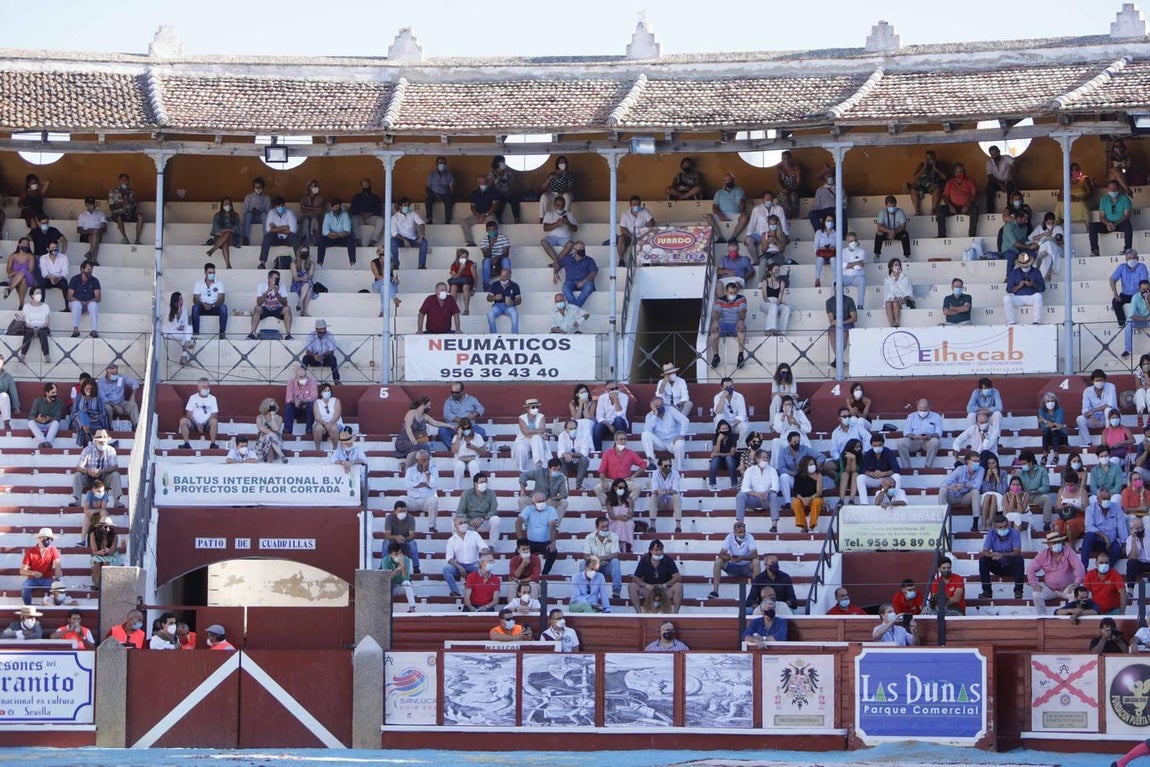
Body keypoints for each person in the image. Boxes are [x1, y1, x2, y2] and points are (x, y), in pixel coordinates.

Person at [1027, 531, 1086, 614]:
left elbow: (1079, 567)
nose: (1057, 544)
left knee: (1075, 594)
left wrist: (1076, 583)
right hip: (1049, 589)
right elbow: (1030, 569)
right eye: (1054, 543)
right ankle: (1043, 617)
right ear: (1049, 545)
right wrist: (1034, 584)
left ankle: (1069, 616)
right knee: (1036, 595)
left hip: (1067, 588)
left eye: (1059, 542)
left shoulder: (1068, 552)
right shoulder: (1043, 554)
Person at [708, 521, 759, 600]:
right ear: (734, 532)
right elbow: (721, 554)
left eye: (744, 531)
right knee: (718, 561)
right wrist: (730, 558)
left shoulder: (750, 537)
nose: (742, 534)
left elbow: (755, 554)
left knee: (756, 561)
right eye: (740, 532)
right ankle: (715, 591)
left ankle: (756, 593)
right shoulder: (729, 537)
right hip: (733, 566)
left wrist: (741, 558)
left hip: (746, 566)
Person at [978, 514, 1025, 599]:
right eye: (1000, 527)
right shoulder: (991, 533)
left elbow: (1017, 552)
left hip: (1010, 566)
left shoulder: (1014, 533)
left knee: (1019, 560)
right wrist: (992, 555)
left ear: (1008, 525)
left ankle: (1018, 591)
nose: (1003, 529)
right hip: (997, 565)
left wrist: (1002, 555)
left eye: (1005, 526)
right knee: (983, 560)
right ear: (995, 529)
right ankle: (987, 591)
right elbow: (985, 551)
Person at [629, 540, 682, 614]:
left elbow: (677, 577)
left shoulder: (668, 560)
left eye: (661, 550)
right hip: (649, 589)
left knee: (678, 586)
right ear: (650, 550)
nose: (659, 552)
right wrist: (647, 585)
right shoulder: (644, 560)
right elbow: (635, 578)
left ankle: (676, 614)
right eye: (656, 550)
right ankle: (639, 613)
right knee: (632, 586)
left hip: (664, 589)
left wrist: (665, 585)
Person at [72, 429, 122, 506]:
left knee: (115, 475)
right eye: (100, 441)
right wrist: (88, 471)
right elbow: (79, 467)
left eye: (104, 441)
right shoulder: (87, 450)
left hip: (104, 477)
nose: (102, 443)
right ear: (95, 441)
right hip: (89, 477)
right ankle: (77, 500)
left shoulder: (111, 450)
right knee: (77, 475)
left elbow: (115, 467)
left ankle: (117, 501)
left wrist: (102, 471)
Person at [1083, 488, 1129, 570]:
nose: (1106, 501)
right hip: (1097, 541)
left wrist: (1124, 544)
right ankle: (1083, 568)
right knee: (1088, 536)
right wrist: (1104, 536)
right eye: (1104, 499)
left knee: (1117, 548)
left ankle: (1106, 569)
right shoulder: (1090, 509)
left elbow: (1121, 526)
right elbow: (1089, 526)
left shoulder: (1117, 507)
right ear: (1097, 499)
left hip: (1111, 542)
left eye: (1108, 499)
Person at [737, 449, 780, 532]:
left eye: (767, 458)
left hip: (766, 498)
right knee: (740, 495)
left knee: (773, 495)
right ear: (757, 459)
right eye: (763, 457)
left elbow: (775, 487)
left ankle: (774, 525)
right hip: (753, 499)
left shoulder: (772, 470)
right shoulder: (749, 470)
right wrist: (756, 494)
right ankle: (740, 524)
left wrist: (766, 493)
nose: (765, 459)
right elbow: (744, 488)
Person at [517, 492, 559, 575]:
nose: (541, 503)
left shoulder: (551, 510)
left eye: (543, 500)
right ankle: (524, 573)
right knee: (517, 552)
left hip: (545, 542)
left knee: (553, 552)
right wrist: (520, 540)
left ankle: (544, 573)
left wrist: (552, 543)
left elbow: (553, 526)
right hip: (530, 542)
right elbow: (518, 522)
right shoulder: (528, 509)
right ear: (533, 503)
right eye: (539, 501)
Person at [456, 471, 500, 549]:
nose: (484, 484)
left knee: (496, 519)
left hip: (484, 522)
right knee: (455, 523)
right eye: (482, 482)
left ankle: (492, 546)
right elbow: (460, 511)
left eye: (485, 482)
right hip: (470, 523)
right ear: (475, 484)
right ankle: (459, 546)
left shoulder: (491, 493)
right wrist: (468, 520)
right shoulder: (466, 493)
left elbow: (494, 510)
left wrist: (483, 518)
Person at [1090, 180, 1134, 257]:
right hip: (1107, 224)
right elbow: (1101, 216)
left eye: (1115, 189)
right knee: (1092, 226)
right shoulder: (1103, 200)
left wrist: (1115, 224)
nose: (1113, 191)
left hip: (1120, 223)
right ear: (1108, 190)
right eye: (1111, 189)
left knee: (1128, 225)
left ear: (1119, 189)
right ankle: (1095, 250)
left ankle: (1127, 249)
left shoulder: (1125, 199)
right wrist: (1108, 224)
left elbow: (1127, 216)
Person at [442, 520, 485, 598]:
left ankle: (478, 593)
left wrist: (485, 555)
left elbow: (483, 547)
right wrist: (460, 567)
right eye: (461, 523)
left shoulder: (474, 535)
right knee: (446, 569)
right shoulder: (451, 540)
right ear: (455, 526)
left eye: (465, 522)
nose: (464, 525)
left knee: (483, 569)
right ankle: (455, 591)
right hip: (459, 564)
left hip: (474, 564)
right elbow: (449, 558)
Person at [584, 516, 623, 599]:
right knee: (582, 564)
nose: (605, 529)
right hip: (594, 566)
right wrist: (597, 560)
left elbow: (615, 554)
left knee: (615, 561)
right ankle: (585, 589)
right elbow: (586, 556)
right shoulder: (589, 537)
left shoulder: (614, 536)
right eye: (603, 527)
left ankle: (616, 590)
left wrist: (600, 558)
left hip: (608, 566)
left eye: (607, 526)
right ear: (596, 527)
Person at [936, 163, 979, 238]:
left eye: (962, 171)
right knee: (940, 209)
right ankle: (941, 235)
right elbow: (945, 196)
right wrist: (950, 206)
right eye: (958, 171)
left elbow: (975, 194)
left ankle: (972, 235)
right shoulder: (950, 182)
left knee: (975, 210)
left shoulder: (970, 181)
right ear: (954, 173)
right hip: (953, 207)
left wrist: (967, 205)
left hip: (966, 207)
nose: (960, 173)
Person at [1078, 369, 1119, 448]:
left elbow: (1110, 405)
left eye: (1101, 380)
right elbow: (1085, 410)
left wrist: (1093, 410)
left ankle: (1109, 438)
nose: (1099, 382)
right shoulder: (1087, 391)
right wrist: (1092, 416)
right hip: (1094, 419)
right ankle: (1088, 443)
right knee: (1080, 419)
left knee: (1108, 410)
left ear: (1104, 380)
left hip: (1109, 419)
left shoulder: (1111, 387)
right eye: (1097, 380)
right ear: (1092, 381)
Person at [19, 528, 61, 605]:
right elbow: (22, 571)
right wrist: (33, 573)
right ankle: (28, 608)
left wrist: (57, 580)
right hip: (33, 579)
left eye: (51, 539)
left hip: (47, 579)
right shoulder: (30, 551)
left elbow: (57, 565)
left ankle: (52, 606)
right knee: (25, 587)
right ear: (39, 538)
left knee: (57, 590)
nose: (49, 541)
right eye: (47, 538)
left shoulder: (53, 550)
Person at [247, 269, 293, 339]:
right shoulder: (262, 286)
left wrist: (277, 293)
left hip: (277, 309)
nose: (277, 280)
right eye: (275, 278)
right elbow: (259, 303)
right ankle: (252, 333)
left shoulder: (281, 286)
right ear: (269, 278)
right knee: (257, 308)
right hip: (265, 309)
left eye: (278, 279)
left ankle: (288, 334)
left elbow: (285, 303)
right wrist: (268, 291)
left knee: (287, 309)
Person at [898, 399, 943, 470]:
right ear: (917, 407)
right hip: (914, 440)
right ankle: (906, 468)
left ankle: (928, 466)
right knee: (901, 442)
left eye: (925, 410)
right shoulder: (911, 417)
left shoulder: (936, 416)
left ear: (929, 407)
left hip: (929, 441)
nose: (923, 412)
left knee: (935, 441)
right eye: (921, 410)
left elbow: (938, 433)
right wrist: (915, 436)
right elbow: (906, 432)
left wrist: (929, 436)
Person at [1003, 251, 1045, 325]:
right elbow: (1009, 290)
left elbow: (1042, 288)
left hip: (1031, 297)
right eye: (1024, 266)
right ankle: (1011, 321)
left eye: (1027, 265)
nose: (1025, 267)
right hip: (1017, 298)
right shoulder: (1014, 273)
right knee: (1006, 298)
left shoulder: (1036, 272)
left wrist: (1033, 284)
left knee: (1038, 296)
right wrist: (1019, 286)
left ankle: (1036, 321)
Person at [858, 434, 902, 505]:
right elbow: (862, 469)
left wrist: (883, 473)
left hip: (886, 479)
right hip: (873, 479)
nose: (877, 447)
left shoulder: (889, 453)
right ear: (871, 445)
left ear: (883, 444)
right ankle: (864, 503)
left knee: (897, 476)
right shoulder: (868, 454)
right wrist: (871, 473)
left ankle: (895, 500)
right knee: (860, 478)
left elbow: (896, 468)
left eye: (879, 445)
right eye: (875, 446)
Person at [258, 197, 301, 269]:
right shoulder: (271, 213)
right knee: (267, 237)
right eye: (278, 206)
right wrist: (286, 227)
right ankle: (262, 263)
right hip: (276, 238)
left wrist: (275, 228)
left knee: (295, 237)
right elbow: (268, 230)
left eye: (282, 205)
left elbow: (293, 230)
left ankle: (299, 263)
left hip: (288, 239)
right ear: (274, 207)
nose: (281, 207)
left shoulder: (289, 213)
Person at [943, 451, 984, 524]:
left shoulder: (981, 469)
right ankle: (942, 518)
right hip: (954, 495)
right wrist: (954, 487)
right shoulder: (960, 469)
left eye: (978, 461)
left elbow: (977, 486)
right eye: (974, 461)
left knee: (975, 492)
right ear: (968, 461)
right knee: (942, 490)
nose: (977, 463)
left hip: (965, 496)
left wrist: (964, 484)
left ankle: (975, 522)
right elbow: (944, 484)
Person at [402, 448, 440, 527]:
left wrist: (427, 471)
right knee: (401, 501)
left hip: (426, 500)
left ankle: (432, 526)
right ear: (417, 460)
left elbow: (434, 484)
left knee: (434, 500)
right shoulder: (410, 470)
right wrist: (423, 484)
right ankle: (403, 527)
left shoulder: (433, 469)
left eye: (428, 459)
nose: (426, 462)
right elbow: (407, 484)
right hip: (413, 500)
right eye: (423, 460)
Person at [97, 361, 140, 430]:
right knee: (107, 408)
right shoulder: (101, 382)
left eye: (116, 373)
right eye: (113, 374)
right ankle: (108, 428)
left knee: (133, 405)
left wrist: (132, 396)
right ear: (107, 373)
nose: (115, 375)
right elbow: (103, 398)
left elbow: (135, 382)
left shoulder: (121, 377)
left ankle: (138, 427)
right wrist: (115, 406)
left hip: (121, 402)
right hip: (108, 403)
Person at [178, 378, 219, 450]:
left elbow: (214, 413)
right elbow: (188, 413)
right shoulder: (193, 397)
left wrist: (204, 423)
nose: (206, 389)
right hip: (194, 423)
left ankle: (213, 444)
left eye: (207, 387)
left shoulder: (212, 398)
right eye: (204, 387)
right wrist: (197, 424)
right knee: (183, 420)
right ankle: (186, 444)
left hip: (207, 424)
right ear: (198, 387)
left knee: (214, 421)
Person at [190, 262, 228, 339]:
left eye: (214, 272)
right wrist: (203, 304)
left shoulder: (219, 283)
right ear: (205, 272)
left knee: (224, 308)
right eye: (210, 272)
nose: (212, 274)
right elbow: (195, 299)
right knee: (195, 308)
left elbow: (221, 299)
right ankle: (196, 333)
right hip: (202, 307)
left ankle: (222, 333)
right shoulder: (199, 283)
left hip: (214, 307)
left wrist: (212, 305)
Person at [390, 197, 429, 270]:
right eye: (405, 205)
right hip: (400, 240)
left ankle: (421, 265)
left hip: (412, 239)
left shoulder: (412, 214)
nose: (406, 207)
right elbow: (394, 233)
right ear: (400, 206)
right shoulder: (394, 217)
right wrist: (404, 240)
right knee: (392, 242)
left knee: (424, 242)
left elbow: (421, 223)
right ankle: (395, 264)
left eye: (408, 205)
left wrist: (422, 233)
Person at [513, 397, 551, 472]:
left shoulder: (541, 416)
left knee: (536, 439)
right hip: (524, 439)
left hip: (538, 439)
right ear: (527, 408)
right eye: (533, 407)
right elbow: (525, 432)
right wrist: (537, 432)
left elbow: (542, 429)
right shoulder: (522, 417)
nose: (536, 408)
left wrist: (531, 431)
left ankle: (538, 464)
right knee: (521, 448)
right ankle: (521, 468)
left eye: (537, 407)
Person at [592, 380, 631, 453]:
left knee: (618, 419)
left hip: (620, 423)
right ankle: (597, 452)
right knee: (597, 428)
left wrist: (616, 399)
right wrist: (609, 426)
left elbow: (620, 414)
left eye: (616, 388)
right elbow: (599, 416)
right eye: (612, 389)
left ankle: (618, 449)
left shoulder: (624, 397)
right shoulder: (602, 398)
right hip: (607, 423)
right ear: (607, 390)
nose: (614, 390)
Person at [16, 286, 51, 365]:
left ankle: (47, 355)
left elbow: (47, 322)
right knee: (28, 333)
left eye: (40, 293)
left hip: (42, 327)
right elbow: (25, 322)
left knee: (42, 333)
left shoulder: (45, 306)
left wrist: (38, 327)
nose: (39, 294)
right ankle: (22, 355)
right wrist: (33, 327)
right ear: (32, 295)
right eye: (37, 293)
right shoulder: (26, 306)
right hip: (29, 327)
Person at [540, 195, 579, 267]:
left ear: (564, 205)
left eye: (562, 205)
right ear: (554, 205)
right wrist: (557, 224)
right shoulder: (549, 214)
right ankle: (557, 262)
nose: (560, 207)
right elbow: (545, 228)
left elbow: (575, 229)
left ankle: (555, 263)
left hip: (565, 238)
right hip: (552, 237)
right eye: (558, 205)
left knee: (570, 243)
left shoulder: (569, 214)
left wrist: (568, 223)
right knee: (543, 241)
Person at [556, 243, 598, 308]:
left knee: (589, 286)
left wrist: (584, 281)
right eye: (580, 248)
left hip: (585, 282)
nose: (582, 250)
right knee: (565, 288)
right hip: (570, 282)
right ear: (574, 250)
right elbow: (558, 264)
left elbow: (594, 272)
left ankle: (574, 309)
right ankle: (576, 309)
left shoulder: (589, 260)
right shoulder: (567, 259)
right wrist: (555, 273)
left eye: (583, 248)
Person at [647, 458, 684, 534]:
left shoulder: (675, 473)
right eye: (666, 466)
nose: (668, 468)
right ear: (660, 466)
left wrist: (666, 491)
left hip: (671, 502)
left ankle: (678, 525)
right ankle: (653, 525)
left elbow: (675, 490)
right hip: (660, 502)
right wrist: (658, 491)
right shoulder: (655, 473)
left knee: (676, 497)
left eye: (670, 466)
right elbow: (654, 490)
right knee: (653, 496)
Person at [709, 172, 748, 243]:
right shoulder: (719, 193)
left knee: (745, 217)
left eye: (729, 180)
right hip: (722, 214)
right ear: (724, 181)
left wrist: (742, 211)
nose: (728, 182)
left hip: (735, 214)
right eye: (726, 180)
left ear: (733, 179)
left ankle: (733, 238)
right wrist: (720, 214)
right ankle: (720, 238)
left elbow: (741, 202)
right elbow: (714, 207)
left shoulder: (739, 190)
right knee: (708, 217)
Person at [383, 501, 420, 575]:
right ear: (395, 511)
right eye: (400, 511)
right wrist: (396, 537)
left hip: (405, 542)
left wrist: (404, 539)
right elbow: (387, 535)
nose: (403, 513)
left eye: (404, 511)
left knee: (413, 543)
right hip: (392, 542)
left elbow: (412, 535)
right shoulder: (389, 518)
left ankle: (416, 567)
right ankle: (383, 566)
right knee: (386, 542)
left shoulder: (410, 518)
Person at [450, 418, 488, 490]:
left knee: (474, 465)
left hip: (473, 458)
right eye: (464, 428)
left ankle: (476, 488)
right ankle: (457, 489)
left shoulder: (477, 436)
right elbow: (454, 451)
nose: (466, 430)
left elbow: (484, 452)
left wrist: (474, 448)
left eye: (468, 428)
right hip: (460, 459)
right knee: (459, 466)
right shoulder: (456, 437)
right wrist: (458, 437)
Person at [67, 259, 101, 338]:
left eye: (91, 269)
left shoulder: (94, 280)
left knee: (94, 305)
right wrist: (81, 302)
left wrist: (88, 301)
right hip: (76, 302)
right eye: (88, 269)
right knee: (77, 305)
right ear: (82, 269)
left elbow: (98, 297)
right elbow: (69, 296)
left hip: (88, 303)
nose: (90, 271)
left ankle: (94, 331)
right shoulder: (75, 279)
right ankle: (75, 330)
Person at [317, 197, 356, 266]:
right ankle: (320, 264)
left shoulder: (345, 215)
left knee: (351, 240)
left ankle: (353, 264)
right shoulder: (328, 216)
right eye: (336, 207)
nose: (338, 209)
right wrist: (339, 234)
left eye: (339, 207)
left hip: (342, 238)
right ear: (332, 208)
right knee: (321, 241)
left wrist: (334, 234)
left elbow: (347, 231)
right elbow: (325, 232)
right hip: (331, 238)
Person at [1086, 551, 1127, 615]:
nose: (1104, 565)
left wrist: (1122, 611)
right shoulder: (1090, 575)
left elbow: (1123, 592)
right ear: (1096, 563)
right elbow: (1084, 592)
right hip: (1097, 611)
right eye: (1101, 563)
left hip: (1114, 611)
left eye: (1106, 563)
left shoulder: (1115, 574)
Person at [302, 319, 341, 385]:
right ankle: (301, 379)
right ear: (317, 329)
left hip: (325, 358)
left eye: (324, 328)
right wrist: (314, 356)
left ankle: (336, 380)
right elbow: (308, 351)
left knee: (333, 358)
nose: (323, 330)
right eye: (321, 329)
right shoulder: (311, 335)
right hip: (314, 359)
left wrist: (324, 355)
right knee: (305, 358)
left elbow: (331, 351)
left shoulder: (329, 335)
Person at [382, 541, 417, 613]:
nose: (398, 555)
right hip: (390, 586)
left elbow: (406, 578)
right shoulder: (385, 560)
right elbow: (386, 578)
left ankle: (412, 608)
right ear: (390, 554)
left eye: (400, 553)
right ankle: (386, 610)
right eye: (395, 554)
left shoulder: (406, 559)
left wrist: (403, 567)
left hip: (401, 586)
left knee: (407, 583)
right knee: (385, 586)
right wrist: (398, 569)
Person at [107, 173, 143, 244]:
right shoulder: (113, 192)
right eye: (122, 180)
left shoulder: (131, 192)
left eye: (126, 180)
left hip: (129, 214)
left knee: (140, 216)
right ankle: (125, 238)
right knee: (119, 217)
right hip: (118, 215)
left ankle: (137, 239)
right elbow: (111, 207)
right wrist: (122, 204)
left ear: (128, 181)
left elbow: (134, 206)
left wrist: (128, 201)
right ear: (119, 181)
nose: (124, 182)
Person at [618, 196, 656, 264]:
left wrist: (646, 232)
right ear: (630, 205)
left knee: (652, 237)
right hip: (630, 237)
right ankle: (621, 260)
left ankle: (647, 261)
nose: (637, 206)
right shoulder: (625, 214)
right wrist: (632, 236)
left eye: (638, 204)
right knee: (620, 238)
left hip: (642, 236)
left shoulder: (644, 211)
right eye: (634, 204)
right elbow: (622, 229)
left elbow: (652, 222)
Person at [283, 364, 318, 437]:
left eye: (305, 376)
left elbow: (314, 397)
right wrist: (294, 401)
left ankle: (309, 429)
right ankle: (287, 430)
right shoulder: (291, 382)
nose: (303, 379)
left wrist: (303, 400)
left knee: (311, 404)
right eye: (301, 377)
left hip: (307, 409)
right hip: (296, 409)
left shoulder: (312, 382)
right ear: (296, 377)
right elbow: (288, 398)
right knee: (288, 406)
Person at [27, 382, 65, 448]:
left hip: (50, 424)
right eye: (52, 393)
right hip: (39, 424)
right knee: (30, 423)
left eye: (56, 392)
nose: (55, 394)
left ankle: (47, 442)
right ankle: (44, 441)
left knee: (56, 423)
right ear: (47, 393)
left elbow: (57, 417)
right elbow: (31, 416)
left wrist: (49, 419)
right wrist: (37, 419)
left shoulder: (59, 402)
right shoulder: (38, 401)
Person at [162, 291, 195, 365]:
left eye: (182, 298)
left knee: (189, 329)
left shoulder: (185, 309)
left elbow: (185, 324)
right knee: (187, 336)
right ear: (176, 300)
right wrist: (177, 313)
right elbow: (169, 324)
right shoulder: (169, 308)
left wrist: (181, 327)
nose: (182, 300)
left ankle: (186, 346)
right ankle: (184, 357)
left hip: (177, 331)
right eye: (180, 299)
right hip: (168, 332)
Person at [558, 419, 591, 491]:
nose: (573, 430)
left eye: (575, 428)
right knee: (560, 460)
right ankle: (565, 486)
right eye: (571, 428)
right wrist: (565, 454)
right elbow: (561, 452)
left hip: (579, 464)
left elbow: (584, 453)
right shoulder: (562, 436)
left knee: (584, 459)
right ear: (566, 429)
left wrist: (571, 455)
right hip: (568, 463)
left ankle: (579, 485)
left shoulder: (584, 435)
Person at [207, 197, 240, 269]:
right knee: (225, 241)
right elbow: (216, 229)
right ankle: (228, 265)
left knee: (227, 234)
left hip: (233, 238)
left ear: (231, 205)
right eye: (225, 203)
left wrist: (224, 230)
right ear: (222, 205)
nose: (227, 205)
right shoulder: (217, 216)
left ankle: (212, 250)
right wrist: (228, 230)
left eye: (229, 203)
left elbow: (236, 229)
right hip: (219, 238)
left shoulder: (235, 216)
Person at [486, 267, 522, 334]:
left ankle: (514, 334)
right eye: (501, 276)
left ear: (509, 276)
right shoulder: (495, 284)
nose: (502, 278)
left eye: (504, 276)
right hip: (497, 306)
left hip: (509, 306)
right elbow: (488, 298)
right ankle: (493, 334)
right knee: (490, 313)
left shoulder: (514, 285)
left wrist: (512, 302)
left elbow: (519, 299)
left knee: (514, 313)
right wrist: (494, 297)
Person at [479, 219, 512, 292]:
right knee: (486, 261)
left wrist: (497, 258)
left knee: (506, 260)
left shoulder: (503, 238)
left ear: (497, 229)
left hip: (501, 259)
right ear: (487, 230)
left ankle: (507, 283)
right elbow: (485, 255)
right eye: (490, 230)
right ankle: (486, 286)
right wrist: (491, 245)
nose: (492, 232)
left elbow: (506, 254)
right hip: (490, 260)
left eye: (494, 229)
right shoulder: (484, 240)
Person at [808, 170, 844, 236]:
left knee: (842, 211)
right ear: (825, 178)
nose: (830, 177)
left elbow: (844, 202)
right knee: (811, 214)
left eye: (832, 176)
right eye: (828, 176)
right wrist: (812, 212)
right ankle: (821, 233)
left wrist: (838, 209)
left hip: (835, 210)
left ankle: (843, 235)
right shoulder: (819, 190)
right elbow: (816, 205)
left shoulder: (839, 188)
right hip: (824, 211)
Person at [38, 237, 70, 308]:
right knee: (41, 283)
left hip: (59, 279)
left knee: (65, 283)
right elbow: (44, 273)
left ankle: (67, 307)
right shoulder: (43, 258)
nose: (54, 249)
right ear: (48, 249)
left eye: (55, 247)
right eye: (52, 248)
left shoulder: (64, 257)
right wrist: (51, 277)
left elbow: (65, 272)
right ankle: (40, 306)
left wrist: (58, 278)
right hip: (48, 279)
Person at [252, 398, 286, 464]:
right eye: (270, 406)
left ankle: (269, 464)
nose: (271, 408)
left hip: (276, 442)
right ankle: (282, 455)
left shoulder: (279, 418)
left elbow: (276, 429)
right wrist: (272, 433)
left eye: (273, 406)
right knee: (270, 436)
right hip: (262, 442)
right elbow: (261, 428)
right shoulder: (259, 417)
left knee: (271, 441)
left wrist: (273, 417)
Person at [487, 155, 520, 224]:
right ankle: (498, 219)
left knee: (514, 199)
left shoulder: (508, 173)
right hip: (497, 194)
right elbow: (489, 188)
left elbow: (513, 186)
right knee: (498, 202)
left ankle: (516, 219)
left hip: (508, 193)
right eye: (502, 162)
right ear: (497, 164)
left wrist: (509, 182)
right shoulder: (491, 174)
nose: (504, 164)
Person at [984, 145, 1018, 211]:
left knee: (1010, 185)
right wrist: (1000, 184)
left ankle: (1010, 209)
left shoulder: (1006, 158)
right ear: (990, 155)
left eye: (996, 153)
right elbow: (990, 177)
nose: (995, 156)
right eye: (992, 155)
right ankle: (990, 211)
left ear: (999, 152)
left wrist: (1011, 176)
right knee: (989, 185)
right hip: (997, 183)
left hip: (1007, 181)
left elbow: (1017, 165)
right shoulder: (989, 163)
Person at [708, 421, 738, 492]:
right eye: (723, 429)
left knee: (728, 458)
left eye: (726, 428)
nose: (725, 430)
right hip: (720, 462)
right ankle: (712, 483)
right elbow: (715, 452)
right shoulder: (715, 437)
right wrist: (719, 440)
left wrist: (720, 454)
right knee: (715, 459)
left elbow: (732, 453)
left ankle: (734, 483)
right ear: (719, 430)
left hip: (731, 462)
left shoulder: (733, 437)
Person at [883, 258, 913, 328]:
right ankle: (891, 326)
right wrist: (895, 298)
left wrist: (904, 298)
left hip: (904, 302)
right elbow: (887, 293)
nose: (898, 267)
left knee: (895, 303)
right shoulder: (887, 279)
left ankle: (897, 323)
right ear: (891, 267)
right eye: (896, 265)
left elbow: (909, 291)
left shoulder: (905, 278)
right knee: (888, 303)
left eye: (899, 265)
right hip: (892, 300)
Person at [424, 157, 455, 224]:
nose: (442, 164)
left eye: (444, 163)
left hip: (445, 194)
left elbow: (451, 188)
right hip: (433, 194)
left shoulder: (449, 174)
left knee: (450, 199)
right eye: (440, 163)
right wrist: (434, 194)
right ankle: (430, 219)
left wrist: (449, 195)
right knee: (427, 200)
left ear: (446, 164)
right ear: (436, 164)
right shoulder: (431, 174)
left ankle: (447, 220)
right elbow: (427, 188)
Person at [1125, 279, 1150, 358]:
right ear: (1139, 289)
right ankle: (1128, 350)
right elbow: (1131, 315)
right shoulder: (1135, 297)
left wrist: (1147, 300)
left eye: (1147, 289)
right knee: (1128, 323)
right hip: (1140, 320)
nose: (1145, 292)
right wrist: (1145, 319)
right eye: (1143, 290)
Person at [241, 177, 270, 246]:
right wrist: (252, 211)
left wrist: (260, 212)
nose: (258, 189)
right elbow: (244, 211)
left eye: (259, 187)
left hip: (262, 218)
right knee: (248, 215)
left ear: (263, 187)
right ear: (253, 187)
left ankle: (266, 238)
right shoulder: (248, 197)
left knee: (264, 215)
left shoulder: (267, 198)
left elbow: (269, 213)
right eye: (256, 187)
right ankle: (245, 238)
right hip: (251, 218)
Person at [448, 249, 477, 316]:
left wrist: (474, 288)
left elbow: (475, 277)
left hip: (467, 284)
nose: (464, 259)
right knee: (453, 286)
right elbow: (454, 278)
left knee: (465, 286)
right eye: (462, 257)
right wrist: (461, 269)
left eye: (466, 257)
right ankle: (453, 309)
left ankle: (466, 309)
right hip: (457, 284)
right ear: (458, 258)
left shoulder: (470, 263)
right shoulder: (454, 265)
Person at [288, 248, 317, 318]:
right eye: (303, 252)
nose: (305, 253)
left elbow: (311, 276)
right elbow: (295, 277)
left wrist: (307, 278)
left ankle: (301, 305)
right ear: (299, 252)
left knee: (308, 286)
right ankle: (304, 310)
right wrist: (302, 278)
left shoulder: (311, 263)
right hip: (297, 283)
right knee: (308, 286)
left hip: (307, 282)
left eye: (306, 252)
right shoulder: (293, 263)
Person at [298, 180, 325, 246]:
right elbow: (302, 209)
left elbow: (320, 210)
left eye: (317, 186)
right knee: (306, 221)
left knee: (314, 220)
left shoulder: (320, 198)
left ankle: (316, 239)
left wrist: (308, 208)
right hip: (306, 216)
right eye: (314, 186)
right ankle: (303, 239)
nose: (316, 188)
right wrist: (314, 208)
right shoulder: (304, 198)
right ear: (309, 187)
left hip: (317, 216)